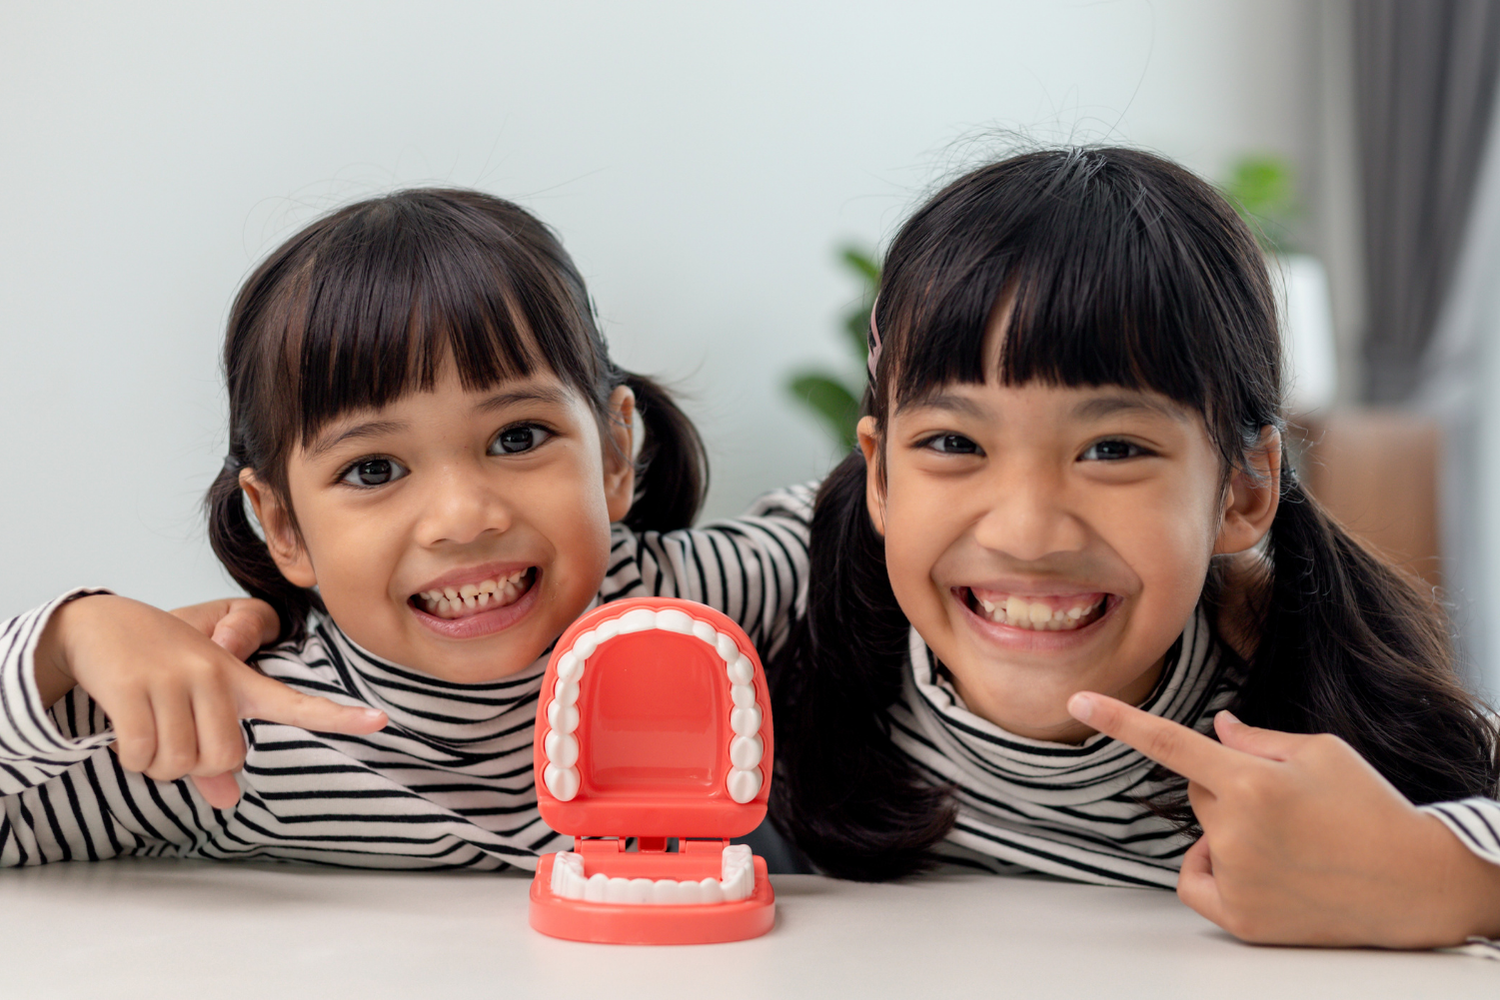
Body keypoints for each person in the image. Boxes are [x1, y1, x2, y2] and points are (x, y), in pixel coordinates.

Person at [769, 147, 1500, 948]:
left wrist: (1435, 878)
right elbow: (611, 571)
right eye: (952, 441)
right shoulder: (792, 588)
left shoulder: (1338, 718)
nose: (1027, 533)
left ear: (1244, 489)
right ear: (880, 476)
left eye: (1112, 450)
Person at [3, 188, 810, 869]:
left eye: (518, 437)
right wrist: (69, 638)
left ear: (613, 452)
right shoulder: (253, 736)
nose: (463, 519)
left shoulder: (691, 610)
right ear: (282, 525)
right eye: (374, 470)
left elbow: (849, 530)